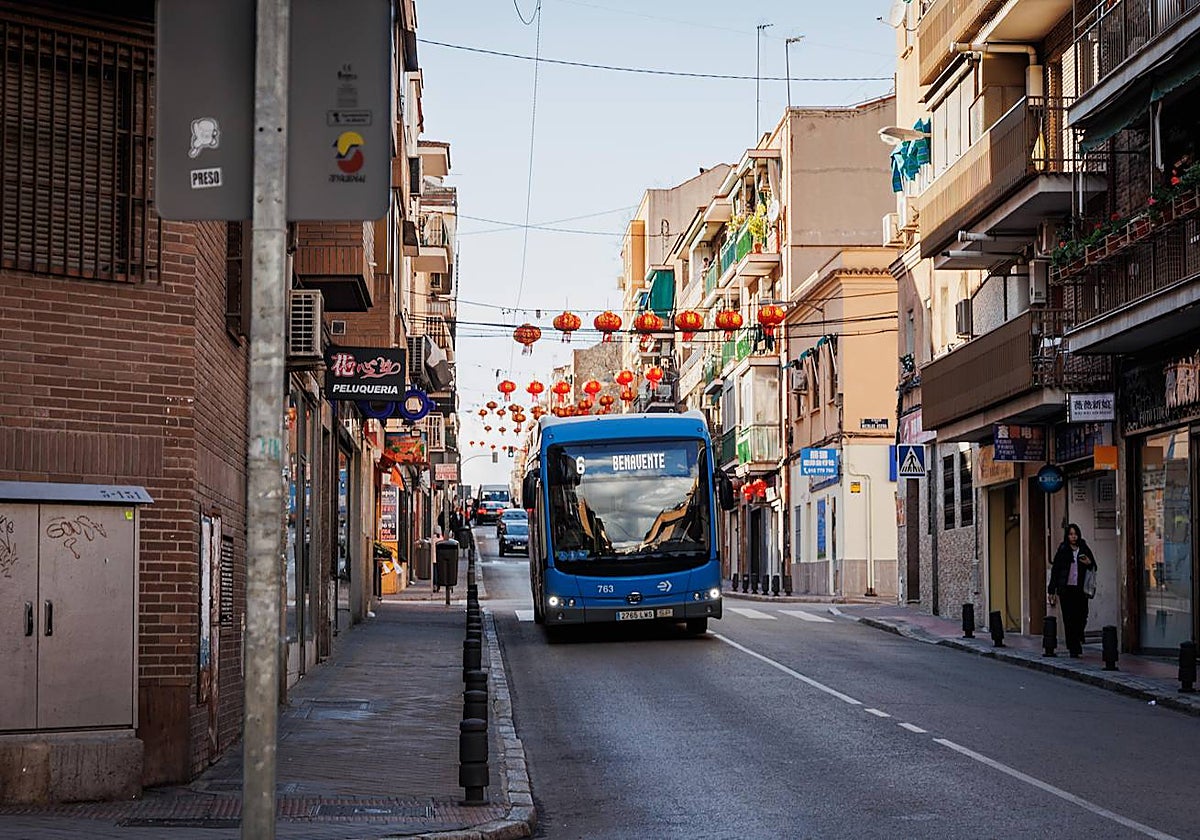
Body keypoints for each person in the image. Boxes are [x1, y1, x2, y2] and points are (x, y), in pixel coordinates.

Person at [1048, 523, 1097, 658]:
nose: (1073, 537)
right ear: (1067, 536)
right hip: (1066, 589)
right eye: (1070, 534)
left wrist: (1089, 563)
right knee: (1069, 619)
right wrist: (1051, 589)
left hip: (1080, 589)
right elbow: (1056, 569)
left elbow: (1093, 565)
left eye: (1075, 534)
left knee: (1082, 616)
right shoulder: (1063, 549)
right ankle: (1073, 647)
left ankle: (1078, 636)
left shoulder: (1084, 548)